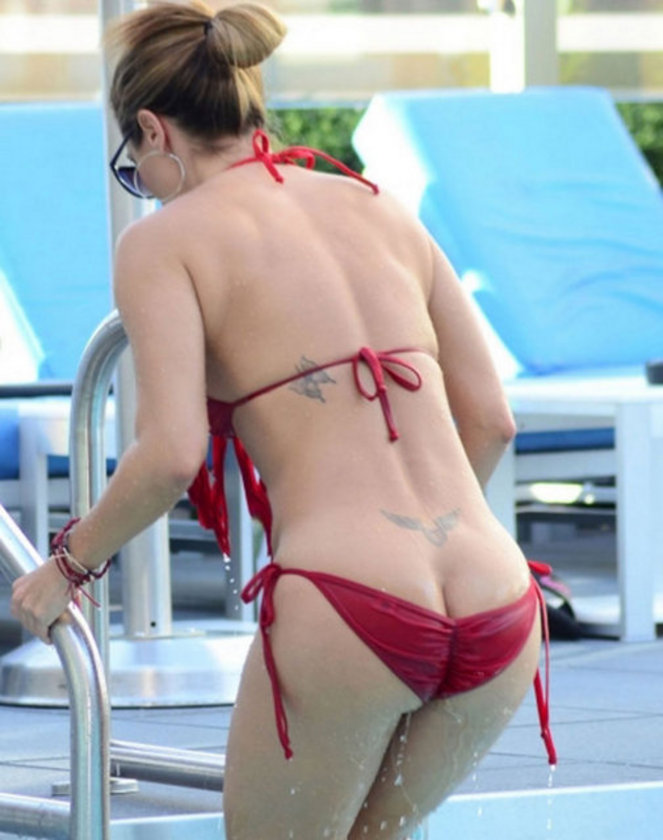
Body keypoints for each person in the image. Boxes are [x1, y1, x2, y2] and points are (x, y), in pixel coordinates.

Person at [11, 2, 555, 837]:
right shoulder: (379, 207)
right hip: (497, 596)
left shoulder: (164, 243)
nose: (141, 183)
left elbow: (171, 452)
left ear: (153, 130)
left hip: (347, 601)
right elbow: (490, 420)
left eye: (132, 167)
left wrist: (67, 566)